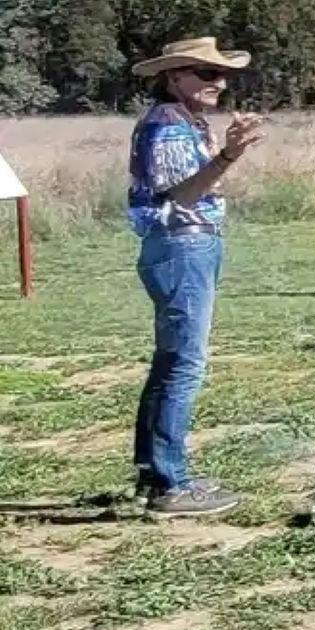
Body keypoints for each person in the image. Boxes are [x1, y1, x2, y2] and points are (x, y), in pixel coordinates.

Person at [124, 38, 266, 516]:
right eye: (205, 74)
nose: (218, 83)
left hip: (187, 245)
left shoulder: (185, 121)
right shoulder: (166, 126)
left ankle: (154, 473)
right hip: (181, 246)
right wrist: (228, 156)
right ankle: (171, 484)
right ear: (174, 77)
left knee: (171, 361)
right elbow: (181, 195)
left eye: (220, 74)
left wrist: (225, 152)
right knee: (185, 363)